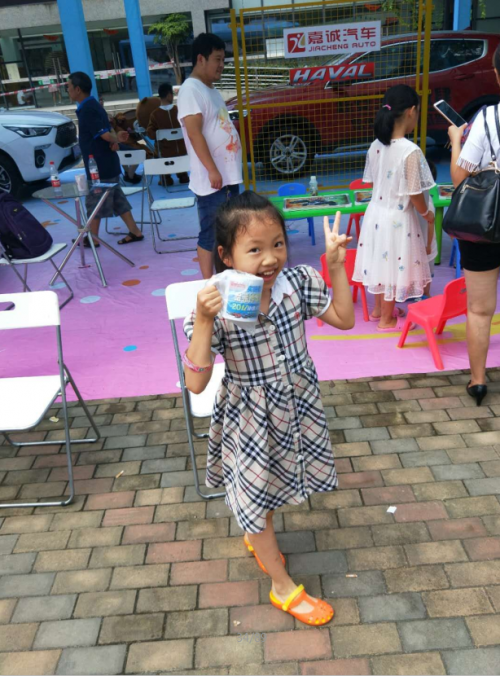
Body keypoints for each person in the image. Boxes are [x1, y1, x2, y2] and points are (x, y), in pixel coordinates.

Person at [183, 191, 354, 625]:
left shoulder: (297, 283)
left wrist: (335, 267)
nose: (270, 258)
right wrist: (203, 319)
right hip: (249, 418)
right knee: (256, 500)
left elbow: (344, 319)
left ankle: (255, 534)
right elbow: (196, 383)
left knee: (267, 491)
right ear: (226, 256)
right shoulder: (219, 303)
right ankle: (281, 587)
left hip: (296, 407)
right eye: (254, 249)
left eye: (277, 244)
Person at [353, 84, 435, 330]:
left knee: (381, 261)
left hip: (376, 213)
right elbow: (415, 193)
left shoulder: (375, 146)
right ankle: (387, 320)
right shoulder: (410, 151)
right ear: (411, 111)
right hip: (398, 217)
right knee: (392, 265)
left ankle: (379, 310)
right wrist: (426, 213)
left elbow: (373, 182)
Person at [448, 43, 500, 406]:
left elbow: (459, 178)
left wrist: (456, 141)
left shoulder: (487, 118)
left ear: (496, 75)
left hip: (485, 223)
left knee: (480, 309)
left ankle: (478, 382)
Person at [177, 33, 243, 279]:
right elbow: (194, 134)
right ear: (201, 59)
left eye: (223, 60)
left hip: (227, 177)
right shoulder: (190, 90)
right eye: (217, 59)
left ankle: (228, 277)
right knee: (210, 234)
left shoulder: (210, 89)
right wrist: (212, 169)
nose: (221, 65)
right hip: (213, 181)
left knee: (229, 232)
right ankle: (208, 284)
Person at [66, 71, 144, 246]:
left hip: (99, 165)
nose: (67, 90)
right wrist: (115, 139)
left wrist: (116, 139)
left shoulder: (88, 109)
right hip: (106, 162)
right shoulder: (93, 105)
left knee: (95, 200)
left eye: (69, 87)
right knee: (117, 199)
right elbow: (107, 132)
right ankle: (135, 231)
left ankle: (93, 239)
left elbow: (105, 135)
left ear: (77, 89)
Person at [147, 82, 190, 186]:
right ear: (169, 95)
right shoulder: (179, 110)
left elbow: (151, 134)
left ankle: (165, 178)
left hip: (164, 153)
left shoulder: (155, 114)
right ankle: (183, 175)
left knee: (158, 150)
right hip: (182, 151)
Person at [415, 158, 438, 299]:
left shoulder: (426, 202)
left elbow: (430, 223)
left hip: (426, 244)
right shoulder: (425, 198)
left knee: (426, 271)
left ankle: (426, 293)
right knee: (422, 270)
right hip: (422, 242)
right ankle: (421, 292)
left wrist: (428, 244)